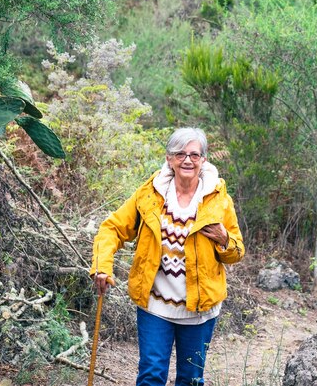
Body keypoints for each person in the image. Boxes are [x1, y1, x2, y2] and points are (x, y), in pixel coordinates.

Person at [90, 127, 245, 386]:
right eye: (180, 153)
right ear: (169, 159)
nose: (187, 160)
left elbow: (237, 252)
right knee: (151, 375)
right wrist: (101, 266)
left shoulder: (219, 201)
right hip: (155, 305)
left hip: (199, 309)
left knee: (191, 379)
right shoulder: (150, 195)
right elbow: (112, 228)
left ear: (203, 160)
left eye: (194, 155)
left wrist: (224, 240)